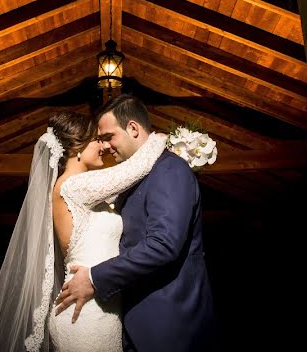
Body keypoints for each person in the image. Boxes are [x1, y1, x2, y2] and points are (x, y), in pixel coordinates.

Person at [0, 110, 167, 352]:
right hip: (85, 312)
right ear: (76, 149)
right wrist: (161, 139)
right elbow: (134, 170)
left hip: (101, 306)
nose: (103, 145)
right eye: (97, 139)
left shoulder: (86, 189)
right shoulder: (72, 186)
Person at [54, 95, 216, 351]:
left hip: (169, 326)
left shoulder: (170, 170)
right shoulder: (129, 180)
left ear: (133, 128)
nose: (105, 146)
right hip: (125, 320)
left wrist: (95, 278)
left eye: (108, 136)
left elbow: (163, 244)